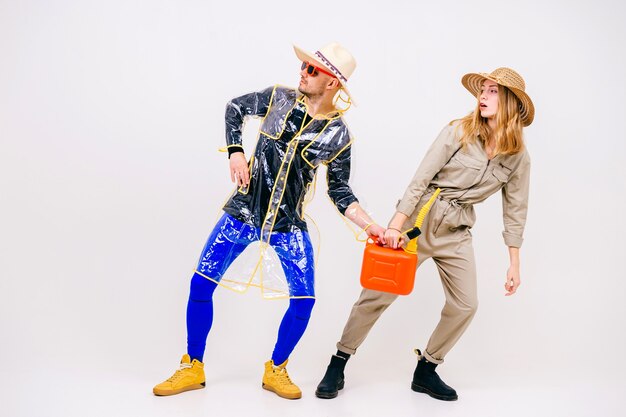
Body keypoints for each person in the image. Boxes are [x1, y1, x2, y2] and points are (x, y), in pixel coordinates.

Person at [152, 42, 385, 400]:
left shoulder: (338, 135)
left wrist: (372, 227)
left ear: (332, 84)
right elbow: (235, 107)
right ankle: (192, 366)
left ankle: (276, 369)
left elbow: (340, 193)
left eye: (313, 70)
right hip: (243, 214)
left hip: (288, 226)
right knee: (201, 285)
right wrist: (235, 152)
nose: (303, 73)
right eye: (304, 66)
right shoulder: (279, 98)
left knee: (304, 301)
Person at [315, 67, 534, 401]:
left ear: (511, 104)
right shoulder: (459, 131)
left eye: (493, 92)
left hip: (457, 230)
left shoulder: (518, 157)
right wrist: (395, 225)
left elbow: (515, 210)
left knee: (466, 305)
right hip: (420, 220)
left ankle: (427, 369)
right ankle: (339, 360)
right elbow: (421, 178)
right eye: (483, 91)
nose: (483, 97)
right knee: (378, 294)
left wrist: (514, 263)